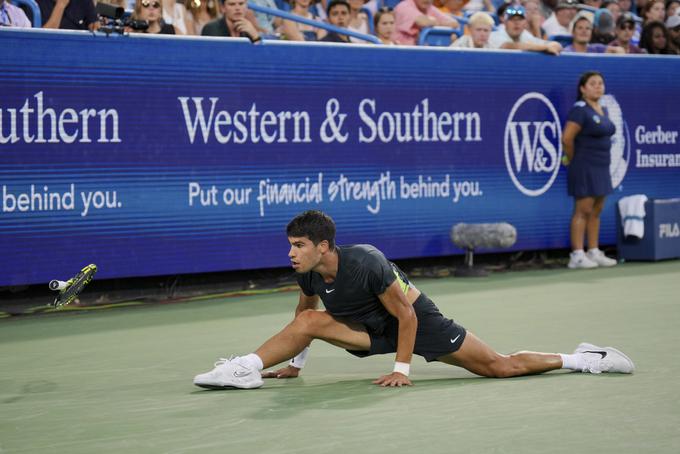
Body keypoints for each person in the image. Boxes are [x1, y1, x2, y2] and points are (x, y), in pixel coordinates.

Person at [193, 210, 635, 389]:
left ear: (324, 246)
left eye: (299, 246)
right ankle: (247, 369)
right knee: (309, 321)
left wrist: (401, 370)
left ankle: (583, 358)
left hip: (416, 321)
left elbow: (405, 314)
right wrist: (295, 364)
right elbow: (303, 317)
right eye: (290, 245)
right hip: (368, 330)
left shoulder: (366, 261)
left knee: (500, 367)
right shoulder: (308, 274)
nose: (291, 253)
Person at [562, 72, 619, 270]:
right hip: (584, 165)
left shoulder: (602, 109)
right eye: (592, 84)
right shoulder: (579, 110)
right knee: (582, 210)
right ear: (583, 89)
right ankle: (577, 255)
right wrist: (570, 158)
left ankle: (593, 251)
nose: (598, 87)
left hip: (602, 165)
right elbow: (567, 139)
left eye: (601, 83)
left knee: (596, 210)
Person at [488, 4, 562, 54]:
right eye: (512, 19)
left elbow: (555, 45)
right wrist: (545, 47)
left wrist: (554, 45)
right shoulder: (496, 34)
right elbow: (510, 46)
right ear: (505, 22)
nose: (516, 23)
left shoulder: (525, 34)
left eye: (520, 19)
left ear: (525, 22)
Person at [393, 0, 460, 45]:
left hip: (420, 51)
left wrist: (433, 22)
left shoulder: (430, 8)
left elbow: (454, 23)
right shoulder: (404, 6)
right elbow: (423, 22)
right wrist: (437, 23)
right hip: (399, 49)